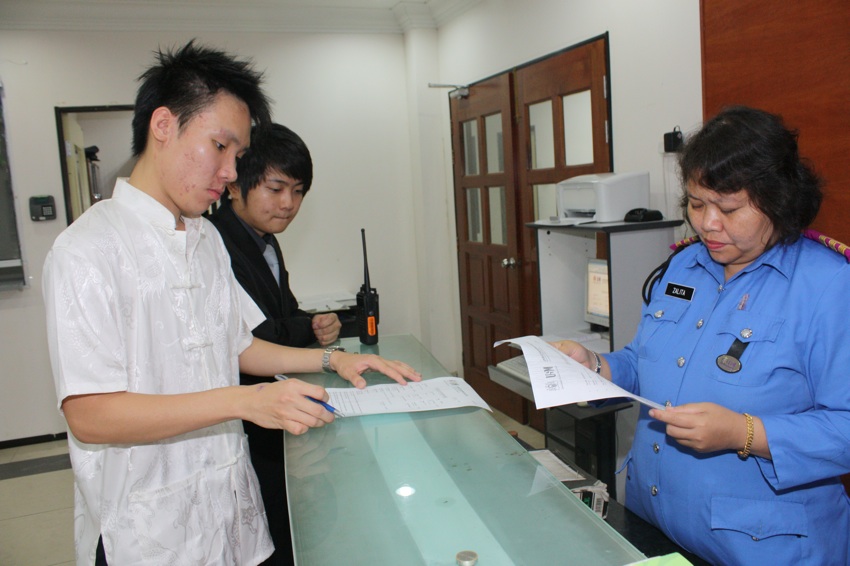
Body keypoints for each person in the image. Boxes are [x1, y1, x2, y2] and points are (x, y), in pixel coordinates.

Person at [42, 40, 420, 566]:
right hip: (147, 529)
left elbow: (239, 345)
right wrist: (244, 402)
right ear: (164, 126)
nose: (229, 172)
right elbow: (90, 415)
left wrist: (336, 358)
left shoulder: (206, 240)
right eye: (220, 147)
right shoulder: (87, 249)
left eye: (237, 157)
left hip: (229, 509)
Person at [554, 106, 850, 565]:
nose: (707, 224)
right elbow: (646, 360)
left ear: (778, 199)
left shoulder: (829, 286)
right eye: (695, 204)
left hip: (762, 548)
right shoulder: (685, 264)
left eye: (729, 208)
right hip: (654, 525)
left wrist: (744, 432)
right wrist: (595, 367)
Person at [208, 123, 338, 565]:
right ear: (236, 187)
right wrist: (313, 340)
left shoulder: (265, 241)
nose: (289, 204)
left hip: (274, 406)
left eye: (298, 191)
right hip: (244, 416)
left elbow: (285, 312)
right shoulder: (218, 243)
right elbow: (256, 337)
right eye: (276, 188)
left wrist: (313, 323)